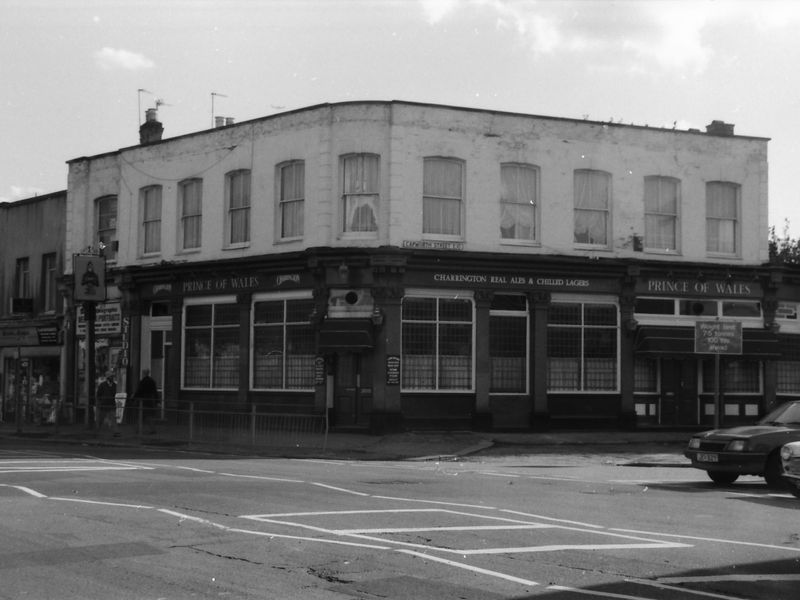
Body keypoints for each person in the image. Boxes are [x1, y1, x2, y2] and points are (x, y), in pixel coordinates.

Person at [132, 369, 159, 433]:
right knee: (150, 415)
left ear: (144, 373)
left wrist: (133, 398)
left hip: (143, 401)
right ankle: (152, 429)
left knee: (141, 415)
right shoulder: (152, 381)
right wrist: (157, 401)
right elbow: (155, 392)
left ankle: (139, 429)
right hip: (150, 400)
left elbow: (139, 391)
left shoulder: (142, 382)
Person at [96, 371, 119, 436]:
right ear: (108, 377)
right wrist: (100, 401)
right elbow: (98, 394)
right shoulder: (102, 385)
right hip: (104, 404)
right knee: (101, 418)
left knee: (113, 418)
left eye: (113, 377)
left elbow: (115, 394)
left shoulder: (114, 385)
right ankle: (97, 430)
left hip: (111, 404)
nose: (112, 378)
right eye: (111, 377)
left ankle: (115, 432)